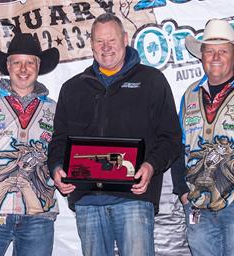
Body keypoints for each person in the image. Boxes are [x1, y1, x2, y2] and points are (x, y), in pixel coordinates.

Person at [48, 13, 181, 256]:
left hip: (134, 198)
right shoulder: (72, 88)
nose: (106, 47)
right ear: (91, 45)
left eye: (112, 40)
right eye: (99, 41)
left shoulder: (152, 81)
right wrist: (57, 167)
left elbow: (171, 138)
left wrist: (151, 166)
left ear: (125, 39)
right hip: (88, 201)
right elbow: (59, 140)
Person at [0, 33, 59, 256]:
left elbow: (61, 156)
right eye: (17, 62)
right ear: (7, 65)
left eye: (29, 62)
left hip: (39, 216)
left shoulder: (56, 110)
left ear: (38, 65)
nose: (23, 69)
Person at [171, 18, 234, 256]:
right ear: (202, 56)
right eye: (210, 51)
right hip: (197, 202)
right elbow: (178, 144)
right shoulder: (189, 95)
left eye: (223, 51)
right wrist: (183, 192)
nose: (215, 57)